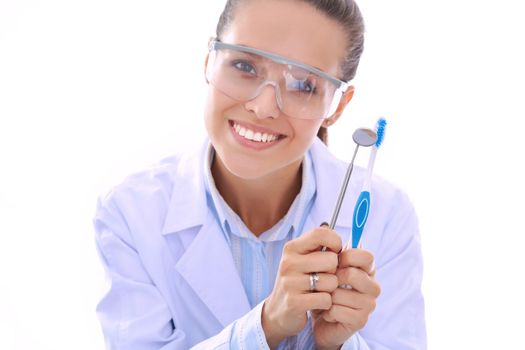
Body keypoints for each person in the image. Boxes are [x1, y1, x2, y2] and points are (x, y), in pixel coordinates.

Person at [93, 0, 426, 349]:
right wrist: (266, 325)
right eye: (244, 65)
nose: (262, 107)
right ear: (210, 60)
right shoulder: (130, 213)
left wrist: (338, 346)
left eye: (304, 84)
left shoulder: (387, 216)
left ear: (337, 106)